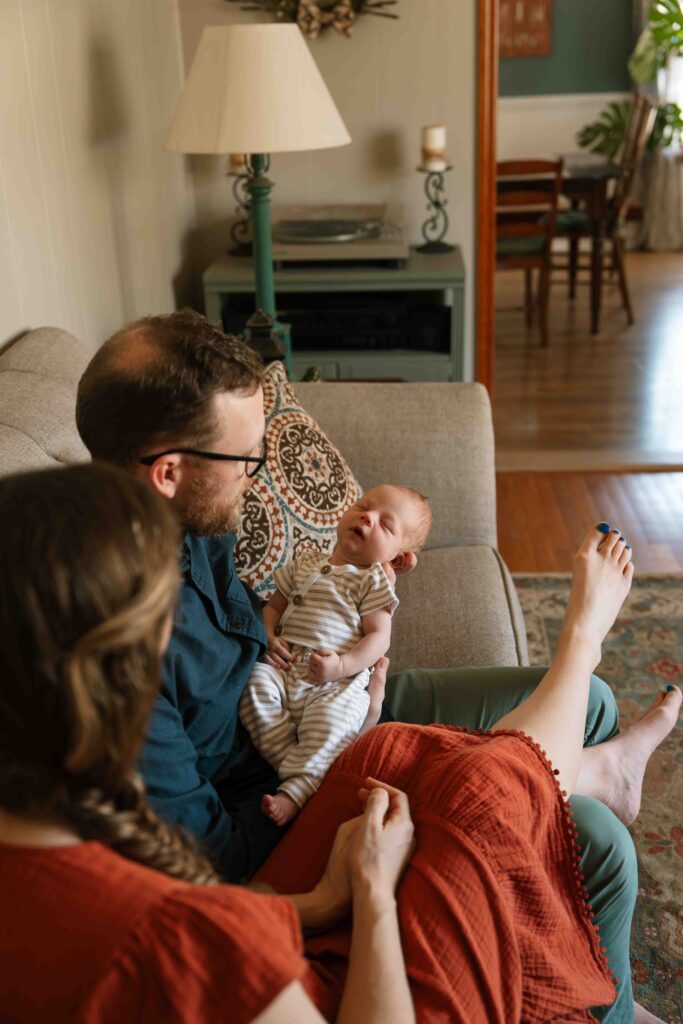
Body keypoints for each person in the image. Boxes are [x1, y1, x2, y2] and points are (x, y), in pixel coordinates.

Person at [75, 309, 677, 1022]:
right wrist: (340, 770)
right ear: (167, 471)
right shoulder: (117, 642)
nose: (255, 477)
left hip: (311, 690)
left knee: (592, 705)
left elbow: (246, 618)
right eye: (246, 462)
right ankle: (600, 988)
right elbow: (214, 863)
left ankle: (586, 774)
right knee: (595, 838)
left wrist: (339, 627)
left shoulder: (185, 519)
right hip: (287, 788)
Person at [241, 484, 431, 825]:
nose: (367, 517)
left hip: (336, 685)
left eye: (386, 526)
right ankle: (289, 755)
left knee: (337, 722)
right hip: (284, 669)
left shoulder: (371, 581)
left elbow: (379, 637)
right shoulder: (306, 562)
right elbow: (273, 607)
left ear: (398, 559)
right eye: (363, 505)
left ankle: (295, 791)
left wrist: (342, 666)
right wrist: (268, 634)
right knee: (252, 684)